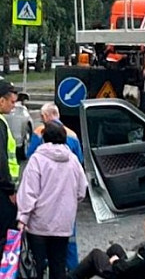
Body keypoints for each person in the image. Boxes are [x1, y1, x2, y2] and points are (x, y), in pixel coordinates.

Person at [16, 122, 87, 279]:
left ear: (44, 138)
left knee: (37, 266)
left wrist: (23, 217)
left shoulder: (37, 160)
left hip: (38, 223)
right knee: (58, 264)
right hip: (63, 224)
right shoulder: (73, 161)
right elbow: (82, 191)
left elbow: (29, 192)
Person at [26, 102, 83, 271]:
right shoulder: (72, 134)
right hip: (67, 202)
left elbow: (30, 159)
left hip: (44, 203)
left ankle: (41, 268)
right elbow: (80, 165)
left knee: (40, 247)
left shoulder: (39, 133)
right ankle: (72, 270)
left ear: (45, 117)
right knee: (68, 239)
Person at [67, 213, 145, 279]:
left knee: (95, 255)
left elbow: (128, 268)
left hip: (125, 274)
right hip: (137, 268)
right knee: (115, 248)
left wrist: (115, 262)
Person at [0, 79, 20, 244]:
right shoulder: (0, 124)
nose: (14, 106)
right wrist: (10, 190)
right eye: (12, 102)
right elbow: (1, 161)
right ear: (1, 101)